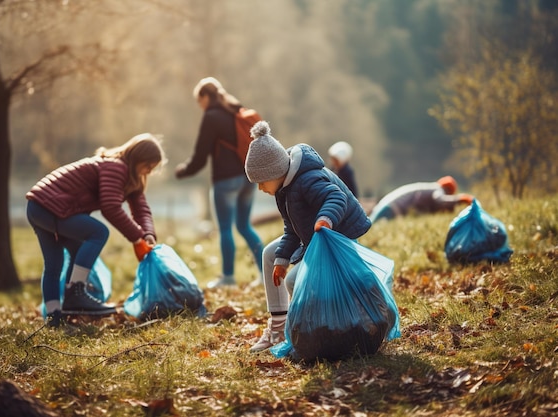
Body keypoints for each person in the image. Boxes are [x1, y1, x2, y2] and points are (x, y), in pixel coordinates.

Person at [244, 121, 372, 352]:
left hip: (337, 236)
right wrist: (283, 260)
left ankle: (312, 327)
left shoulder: (307, 179)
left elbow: (336, 198)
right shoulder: (283, 188)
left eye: (261, 182)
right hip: (312, 238)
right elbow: (291, 228)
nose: (261, 188)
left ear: (275, 172)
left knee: (294, 281)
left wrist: (325, 219)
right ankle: (279, 326)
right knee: (270, 255)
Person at [26, 133, 165, 327]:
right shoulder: (116, 167)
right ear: (136, 158)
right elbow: (110, 207)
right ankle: (75, 292)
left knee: (55, 264)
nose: (148, 172)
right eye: (147, 166)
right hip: (50, 207)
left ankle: (54, 319)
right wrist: (136, 238)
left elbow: (140, 207)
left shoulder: (126, 175)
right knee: (99, 232)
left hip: (37, 207)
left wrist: (147, 234)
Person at [175, 77, 264, 288]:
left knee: (225, 228)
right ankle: (265, 273)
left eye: (200, 100)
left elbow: (200, 156)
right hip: (248, 177)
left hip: (226, 181)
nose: (200, 106)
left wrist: (182, 171)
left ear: (206, 96)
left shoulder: (212, 117)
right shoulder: (236, 111)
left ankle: (228, 278)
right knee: (244, 226)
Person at [369, 176, 474, 223]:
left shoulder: (429, 188)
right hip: (391, 207)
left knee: (369, 226)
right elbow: (440, 200)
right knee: (369, 229)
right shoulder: (437, 189)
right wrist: (461, 199)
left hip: (388, 204)